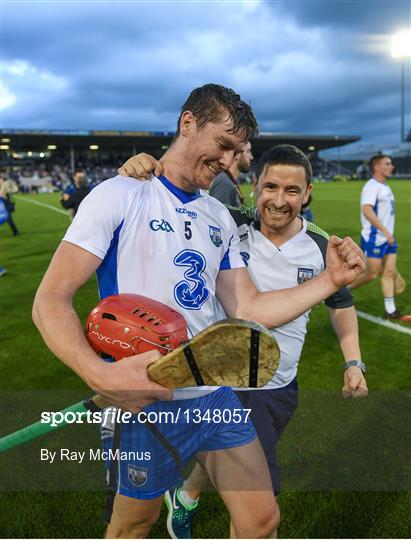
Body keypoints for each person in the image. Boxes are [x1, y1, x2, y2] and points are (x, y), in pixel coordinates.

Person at [33, 84, 365, 539]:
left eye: (238, 151)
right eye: (223, 145)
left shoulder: (220, 217)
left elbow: (247, 306)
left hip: (212, 393)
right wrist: (98, 373)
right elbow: (50, 299)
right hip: (147, 400)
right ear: (188, 123)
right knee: (134, 524)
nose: (229, 161)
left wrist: (330, 282)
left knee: (261, 520)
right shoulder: (118, 195)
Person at [120, 144, 368, 539]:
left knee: (219, 459)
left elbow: (341, 304)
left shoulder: (323, 245)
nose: (280, 200)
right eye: (271, 187)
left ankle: (185, 497)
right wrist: (144, 170)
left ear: (307, 194)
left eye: (292, 191)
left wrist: (353, 362)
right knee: (261, 510)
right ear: (254, 186)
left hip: (281, 383)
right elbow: (170, 207)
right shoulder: (225, 223)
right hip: (225, 381)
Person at [350, 155, 405, 319]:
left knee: (388, 272)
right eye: (387, 164)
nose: (392, 166)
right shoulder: (371, 187)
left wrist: (389, 234)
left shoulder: (384, 186)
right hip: (375, 238)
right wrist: (385, 231)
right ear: (377, 167)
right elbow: (366, 210)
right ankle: (342, 291)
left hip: (388, 238)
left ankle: (390, 310)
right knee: (371, 274)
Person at [208, 141, 253, 206]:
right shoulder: (224, 184)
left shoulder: (229, 181)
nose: (251, 157)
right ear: (238, 155)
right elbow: (218, 215)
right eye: (248, 151)